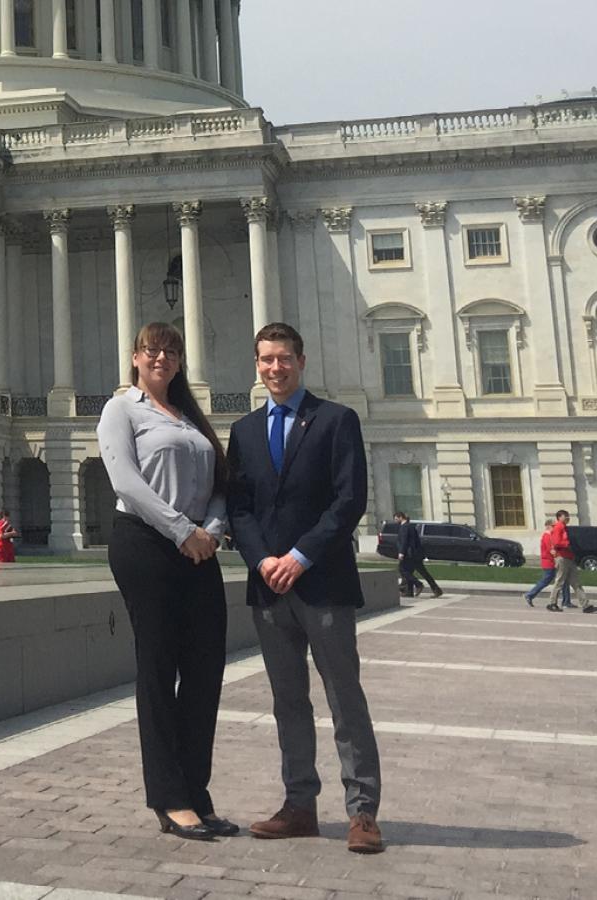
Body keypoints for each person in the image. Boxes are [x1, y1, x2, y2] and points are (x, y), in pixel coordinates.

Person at [226, 322, 384, 854]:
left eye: (284, 358)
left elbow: (349, 500)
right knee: (287, 701)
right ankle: (299, 805)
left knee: (344, 699)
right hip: (269, 587)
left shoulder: (336, 420)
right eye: (266, 359)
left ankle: (362, 812)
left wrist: (299, 555)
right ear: (258, 363)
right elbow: (240, 508)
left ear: (302, 360)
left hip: (324, 583)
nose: (275, 368)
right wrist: (263, 559)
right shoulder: (245, 431)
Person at [98, 322, 233, 843]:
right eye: (152, 349)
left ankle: (196, 792)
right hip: (146, 544)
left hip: (198, 547)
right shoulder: (122, 409)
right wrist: (181, 530)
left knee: (205, 670)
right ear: (135, 357)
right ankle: (169, 798)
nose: (162, 358)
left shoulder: (190, 417)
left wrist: (211, 531)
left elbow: (220, 482)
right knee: (158, 668)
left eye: (171, 351)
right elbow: (125, 481)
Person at [544, 510, 597, 613]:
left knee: (576, 582)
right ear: (559, 517)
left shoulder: (565, 528)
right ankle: (552, 603)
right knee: (560, 581)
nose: (568, 518)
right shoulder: (558, 527)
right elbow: (556, 542)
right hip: (562, 557)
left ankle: (585, 605)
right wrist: (567, 544)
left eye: (568, 516)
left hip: (569, 557)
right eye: (566, 516)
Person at [522, 516, 569, 608]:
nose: (555, 527)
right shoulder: (547, 536)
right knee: (547, 580)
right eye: (553, 526)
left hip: (551, 561)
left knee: (562, 580)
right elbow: (550, 550)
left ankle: (566, 601)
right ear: (548, 526)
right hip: (549, 562)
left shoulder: (550, 535)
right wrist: (559, 557)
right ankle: (530, 595)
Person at [393, 512, 441, 598]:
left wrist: (401, 553)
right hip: (416, 554)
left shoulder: (405, 527)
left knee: (402, 570)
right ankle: (435, 589)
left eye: (396, 519)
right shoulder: (411, 526)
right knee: (420, 572)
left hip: (409, 554)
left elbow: (404, 541)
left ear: (400, 517)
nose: (395, 521)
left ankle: (418, 585)